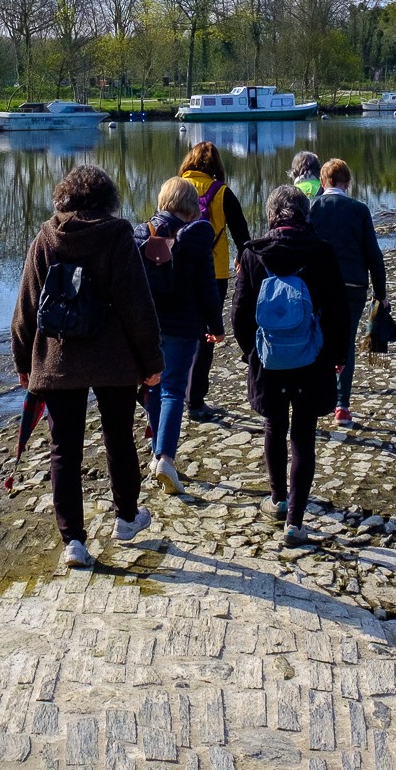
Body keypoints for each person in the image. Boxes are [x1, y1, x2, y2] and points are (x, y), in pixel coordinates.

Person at [11, 164, 164, 569]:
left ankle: (73, 543)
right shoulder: (117, 236)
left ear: (64, 197)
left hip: (58, 359)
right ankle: (127, 519)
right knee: (118, 438)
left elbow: (26, 306)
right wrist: (152, 361)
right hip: (114, 359)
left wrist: (24, 361)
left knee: (64, 450)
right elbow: (137, 306)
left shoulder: (45, 238)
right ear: (106, 198)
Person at [232, 186, 350, 546]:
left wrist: (251, 352)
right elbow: (338, 311)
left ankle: (277, 500)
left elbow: (238, 314)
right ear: (305, 214)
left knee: (273, 426)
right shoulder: (322, 252)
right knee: (303, 435)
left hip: (269, 361)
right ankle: (296, 522)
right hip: (312, 360)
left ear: (271, 216)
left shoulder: (252, 254)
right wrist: (338, 356)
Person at [135, 176, 222, 494]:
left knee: (153, 388)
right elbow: (207, 288)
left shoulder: (141, 233)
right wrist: (216, 326)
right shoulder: (197, 238)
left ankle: (159, 452)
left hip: (147, 326)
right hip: (184, 326)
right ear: (190, 207)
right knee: (172, 391)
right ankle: (166, 459)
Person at [309, 159, 388, 427]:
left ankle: (319, 396)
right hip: (353, 285)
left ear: (323, 182)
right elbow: (373, 253)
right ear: (348, 183)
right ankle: (342, 406)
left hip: (319, 285)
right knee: (346, 342)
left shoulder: (313, 208)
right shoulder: (359, 210)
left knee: (319, 338)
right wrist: (381, 292)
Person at [178, 142, 251, 419]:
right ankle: (195, 400)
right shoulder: (222, 192)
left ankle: (170, 392)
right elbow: (242, 236)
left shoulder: (174, 187)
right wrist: (242, 260)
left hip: (176, 269)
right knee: (206, 333)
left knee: (176, 330)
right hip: (214, 271)